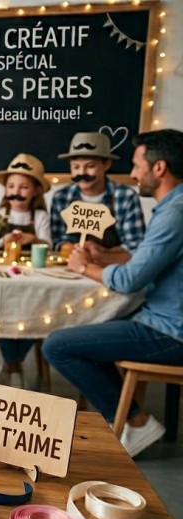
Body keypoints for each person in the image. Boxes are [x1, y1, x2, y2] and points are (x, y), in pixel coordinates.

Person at [43, 129, 183, 457]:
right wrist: (103, 256)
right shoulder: (172, 207)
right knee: (96, 328)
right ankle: (129, 416)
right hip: (161, 316)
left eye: (137, 165)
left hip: (170, 330)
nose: (134, 174)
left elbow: (131, 278)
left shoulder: (175, 212)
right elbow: (149, 261)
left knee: (58, 345)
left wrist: (84, 268)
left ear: (159, 168)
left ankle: (135, 420)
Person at [0, 153, 52, 388]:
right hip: (4, 278)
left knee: (35, 317)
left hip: (31, 280)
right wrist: (5, 239)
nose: (17, 191)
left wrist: (32, 238)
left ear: (36, 190)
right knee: (2, 314)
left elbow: (48, 244)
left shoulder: (40, 216)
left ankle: (12, 364)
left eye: (24, 187)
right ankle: (12, 365)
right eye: (12, 186)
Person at [49, 131, 146, 266]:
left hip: (112, 270)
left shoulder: (125, 197)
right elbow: (59, 240)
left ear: (106, 164)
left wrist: (103, 253)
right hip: (70, 268)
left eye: (90, 166)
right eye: (76, 167)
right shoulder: (62, 197)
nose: (82, 173)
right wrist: (71, 248)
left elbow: (135, 246)